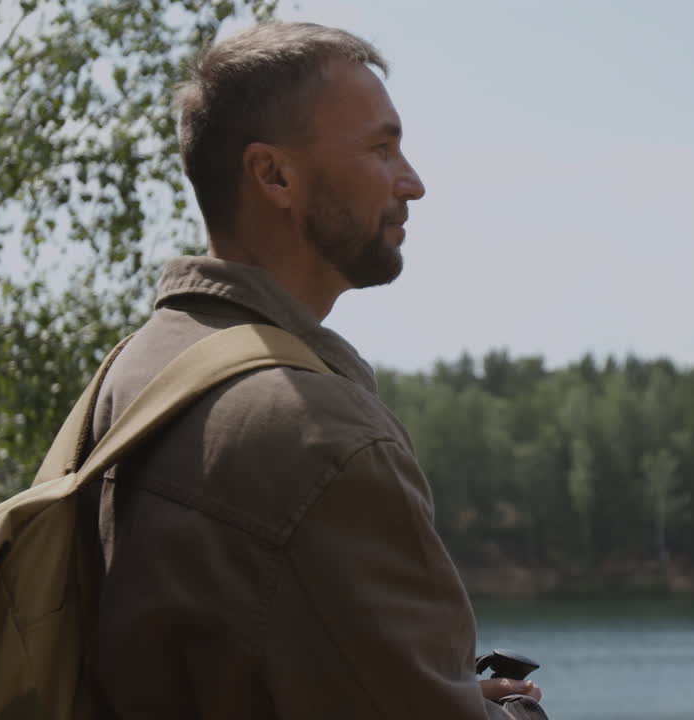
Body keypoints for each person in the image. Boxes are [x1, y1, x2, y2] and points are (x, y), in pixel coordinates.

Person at [84, 21, 547, 718]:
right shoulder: (325, 437)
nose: (413, 183)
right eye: (381, 148)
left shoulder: (135, 368)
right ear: (274, 175)